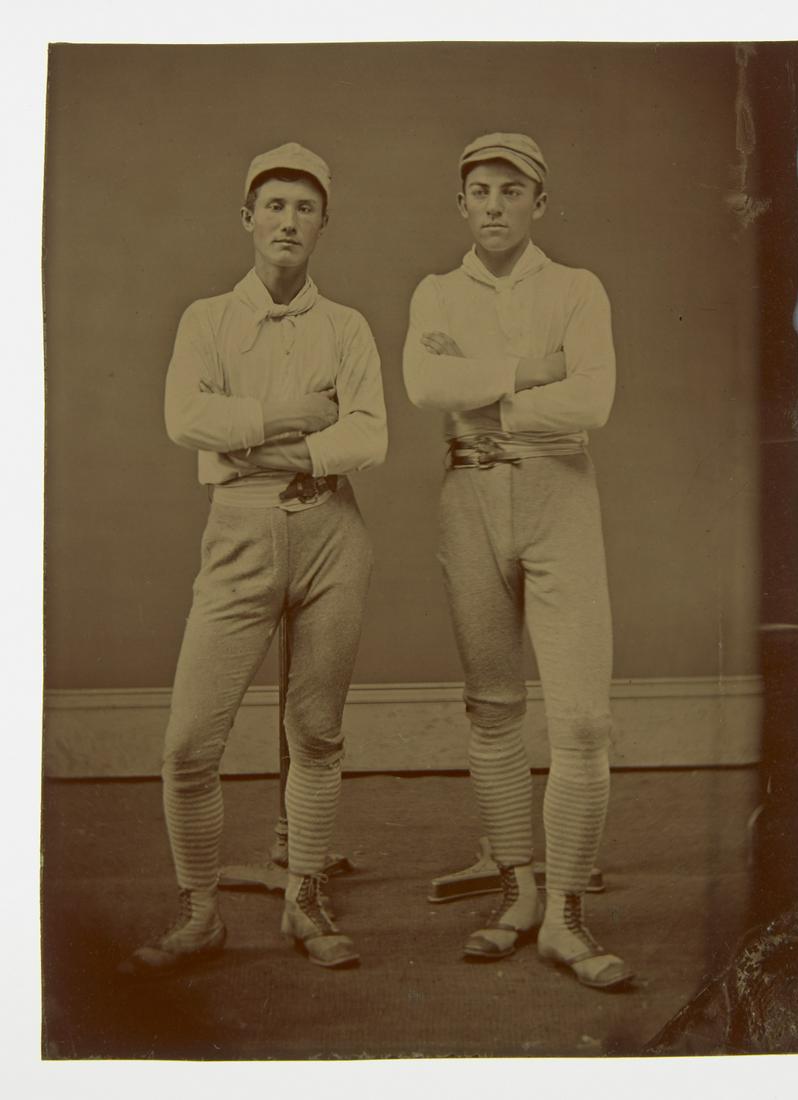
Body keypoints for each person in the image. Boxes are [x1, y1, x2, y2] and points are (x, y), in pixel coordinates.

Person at [120, 142, 387, 974]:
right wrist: (296, 418)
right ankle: (199, 913)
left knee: (314, 732)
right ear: (247, 218)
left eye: (304, 208)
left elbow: (369, 436)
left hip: (331, 536)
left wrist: (273, 447)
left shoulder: (347, 327)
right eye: (273, 205)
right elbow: (181, 421)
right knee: (190, 744)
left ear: (323, 225)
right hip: (236, 538)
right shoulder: (207, 319)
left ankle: (303, 898)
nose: (288, 220)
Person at [403, 132, 632, 989]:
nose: (493, 204)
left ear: (539, 202)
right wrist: (535, 376)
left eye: (511, 190)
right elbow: (424, 389)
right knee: (492, 706)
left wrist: (487, 390)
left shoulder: (577, 289)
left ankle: (568, 915)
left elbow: (596, 398)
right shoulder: (433, 293)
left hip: (558, 499)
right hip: (467, 503)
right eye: (479, 191)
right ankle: (519, 890)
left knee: (580, 723)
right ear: (460, 205)